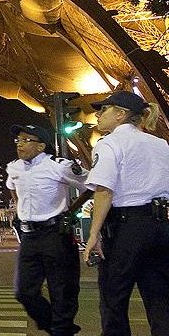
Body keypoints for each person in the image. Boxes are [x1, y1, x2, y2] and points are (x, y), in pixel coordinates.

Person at [83, 90, 169, 335]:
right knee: (160, 299)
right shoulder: (160, 144)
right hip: (160, 226)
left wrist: (93, 235)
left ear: (120, 114)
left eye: (103, 110)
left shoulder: (108, 143)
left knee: (114, 300)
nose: (98, 115)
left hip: (126, 229)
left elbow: (104, 192)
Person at [5, 124, 87, 336]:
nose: (20, 144)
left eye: (26, 140)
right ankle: (56, 327)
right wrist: (20, 210)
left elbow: (91, 184)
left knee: (62, 291)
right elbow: (13, 189)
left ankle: (61, 329)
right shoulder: (14, 167)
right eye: (18, 140)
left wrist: (72, 210)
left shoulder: (59, 166)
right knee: (24, 291)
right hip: (29, 236)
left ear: (41, 146)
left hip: (55, 234)